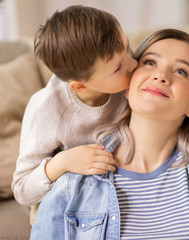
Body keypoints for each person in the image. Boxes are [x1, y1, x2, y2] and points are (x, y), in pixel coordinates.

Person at [30, 28, 189, 240]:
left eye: (181, 71)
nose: (161, 76)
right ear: (127, 87)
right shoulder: (75, 177)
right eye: (150, 63)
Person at [11, 5, 138, 222]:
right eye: (117, 68)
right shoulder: (47, 109)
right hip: (70, 203)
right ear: (80, 87)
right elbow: (22, 189)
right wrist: (63, 162)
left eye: (127, 47)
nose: (134, 64)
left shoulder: (131, 71)